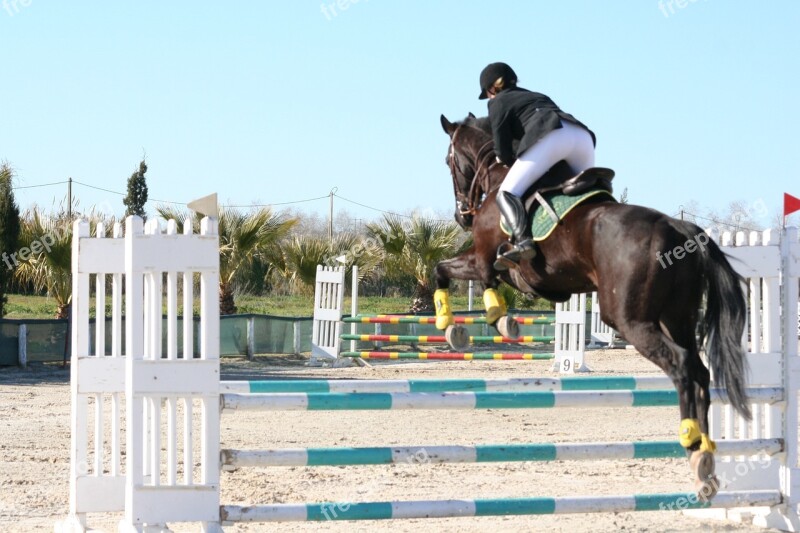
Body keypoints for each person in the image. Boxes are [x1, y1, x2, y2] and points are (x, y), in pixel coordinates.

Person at [479, 62, 597, 269]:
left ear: (491, 89)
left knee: (506, 193)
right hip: (582, 137)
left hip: (553, 137)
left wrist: (503, 160)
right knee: (585, 198)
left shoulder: (497, 102)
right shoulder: (535, 95)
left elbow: (502, 148)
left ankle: (523, 242)